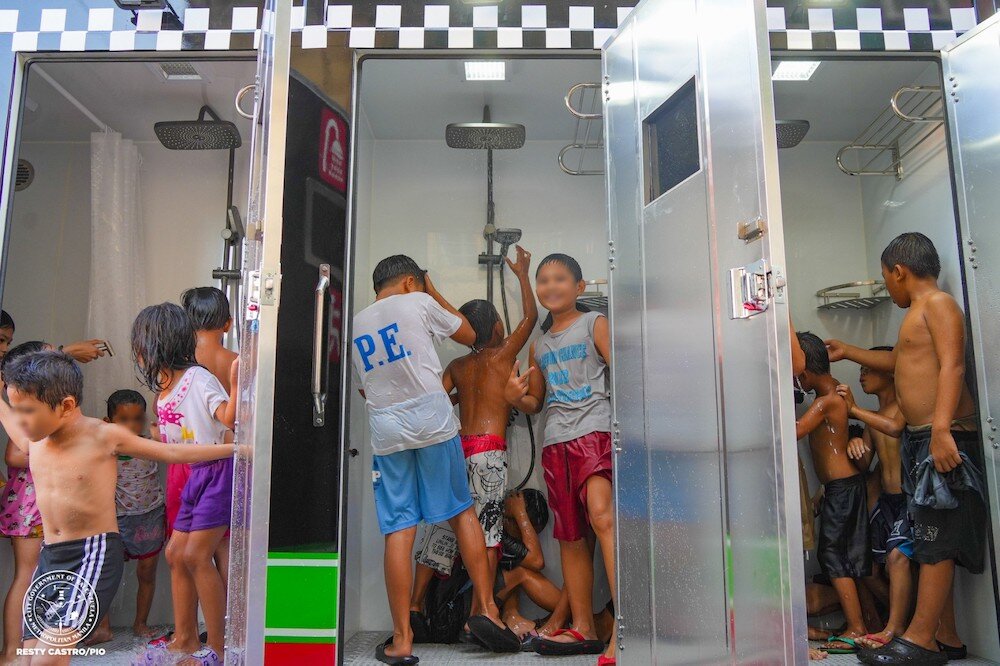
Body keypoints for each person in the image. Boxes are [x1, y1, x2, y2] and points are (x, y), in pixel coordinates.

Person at [0, 350, 234, 666]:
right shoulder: (35, 436)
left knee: (47, 658)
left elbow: (172, 451)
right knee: (29, 656)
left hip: (91, 554)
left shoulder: (103, 435)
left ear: (66, 406)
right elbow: (8, 415)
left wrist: (236, 448)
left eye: (27, 411)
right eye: (17, 411)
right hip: (50, 556)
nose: (20, 420)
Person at [352, 254, 518, 664]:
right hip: (432, 422)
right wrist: (432, 290)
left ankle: (402, 639)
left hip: (387, 432)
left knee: (399, 529)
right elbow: (466, 334)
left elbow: (364, 390)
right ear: (410, 281)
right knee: (462, 512)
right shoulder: (419, 300)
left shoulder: (357, 323)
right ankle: (486, 609)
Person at [829, 232, 982, 665]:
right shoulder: (915, 313)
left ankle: (920, 641)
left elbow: (953, 364)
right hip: (922, 438)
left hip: (943, 438)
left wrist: (939, 430)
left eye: (885, 278)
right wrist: (848, 351)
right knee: (931, 539)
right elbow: (899, 362)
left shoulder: (939, 305)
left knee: (936, 539)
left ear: (899, 272)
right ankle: (945, 635)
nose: (887, 286)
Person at [409, 245, 538, 639]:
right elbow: (531, 317)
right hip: (488, 453)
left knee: (442, 529)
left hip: (455, 449)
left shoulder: (458, 365)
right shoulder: (502, 357)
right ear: (498, 327)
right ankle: (484, 610)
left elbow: (436, 400)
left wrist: (430, 289)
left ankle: (414, 603)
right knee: (487, 531)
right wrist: (521, 274)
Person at [504, 252, 616, 665]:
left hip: (594, 433)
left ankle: (624, 628)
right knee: (569, 536)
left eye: (560, 279)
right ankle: (584, 627)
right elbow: (536, 401)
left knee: (602, 519)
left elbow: (623, 372)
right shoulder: (540, 344)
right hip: (556, 442)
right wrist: (515, 397)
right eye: (543, 280)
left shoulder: (594, 324)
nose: (550, 286)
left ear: (579, 287)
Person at [131, 303, 238, 666]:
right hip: (194, 475)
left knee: (194, 555)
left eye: (142, 345)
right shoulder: (167, 386)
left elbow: (227, 417)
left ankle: (220, 649)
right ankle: (186, 639)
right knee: (176, 553)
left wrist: (237, 386)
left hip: (217, 472)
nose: (139, 354)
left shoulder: (198, 378)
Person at [794, 332, 870, 655]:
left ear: (806, 372)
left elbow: (795, 430)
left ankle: (856, 627)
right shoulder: (836, 391)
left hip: (842, 489)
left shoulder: (827, 403)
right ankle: (864, 623)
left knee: (832, 556)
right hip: (839, 488)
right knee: (844, 559)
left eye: (798, 374)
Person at [839, 349, 914, 651]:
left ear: (890, 374)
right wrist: (855, 443)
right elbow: (864, 464)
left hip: (909, 500)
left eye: (868, 369)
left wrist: (855, 411)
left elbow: (896, 430)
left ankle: (896, 630)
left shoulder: (906, 409)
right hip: (886, 502)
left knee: (899, 560)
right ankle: (902, 619)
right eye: (860, 370)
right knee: (866, 567)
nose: (862, 375)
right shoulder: (873, 418)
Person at [85, 390, 166, 646]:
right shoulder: (104, 450)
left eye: (137, 419)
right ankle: (103, 627)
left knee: (147, 572)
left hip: (149, 516)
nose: (131, 426)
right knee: (106, 574)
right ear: (108, 422)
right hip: (114, 519)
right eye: (123, 419)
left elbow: (174, 451)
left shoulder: (151, 445)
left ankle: (140, 623)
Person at [180, 287, 237, 590]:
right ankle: (228, 623)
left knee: (185, 550)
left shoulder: (178, 365)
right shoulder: (236, 361)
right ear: (227, 323)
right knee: (224, 544)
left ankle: (187, 626)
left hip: (185, 461)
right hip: (227, 461)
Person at [0, 342, 47, 664]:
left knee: (38, 577)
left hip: (38, 504)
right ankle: (11, 652)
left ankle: (26, 650)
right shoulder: (22, 408)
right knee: (26, 575)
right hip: (28, 505)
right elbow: (13, 454)